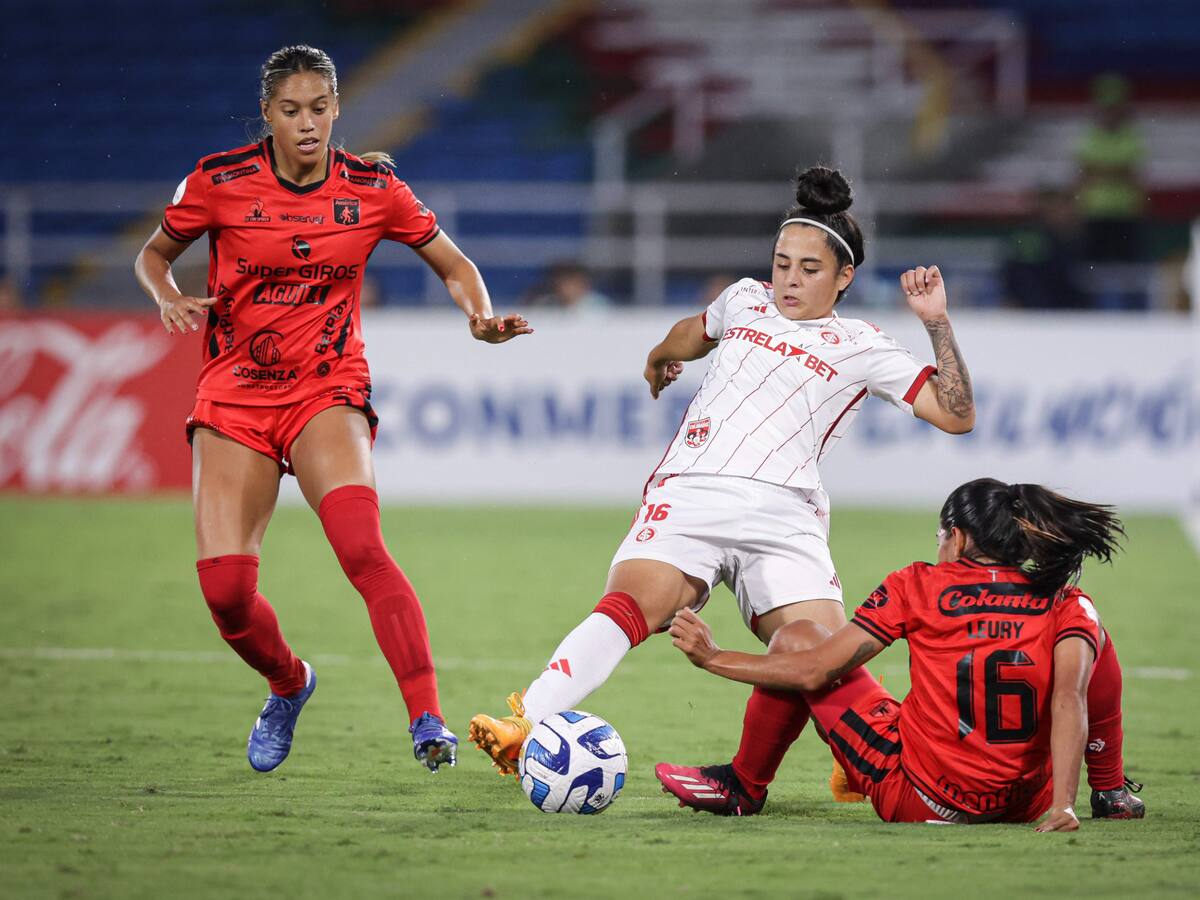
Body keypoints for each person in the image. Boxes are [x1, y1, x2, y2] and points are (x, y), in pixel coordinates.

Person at [468, 166, 975, 784]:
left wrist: (935, 323)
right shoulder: (745, 299)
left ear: (844, 277)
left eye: (809, 269)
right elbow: (693, 333)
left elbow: (957, 415)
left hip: (786, 513)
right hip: (693, 491)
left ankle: (856, 756)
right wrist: (658, 357)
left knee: (823, 649)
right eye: (782, 262)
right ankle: (528, 722)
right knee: (636, 603)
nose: (789, 279)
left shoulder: (863, 344)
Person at [133, 45, 531, 775]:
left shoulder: (373, 187)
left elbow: (456, 264)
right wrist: (166, 296)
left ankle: (427, 718)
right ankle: (289, 683)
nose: (307, 124)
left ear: (337, 108)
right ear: (267, 114)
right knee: (225, 592)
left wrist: (479, 316)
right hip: (234, 398)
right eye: (292, 111)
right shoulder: (219, 181)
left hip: (327, 391)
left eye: (319, 108)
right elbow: (153, 255)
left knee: (361, 548)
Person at [661, 478, 1146, 828]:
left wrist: (713, 656)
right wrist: (1063, 803)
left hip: (919, 797)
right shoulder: (1065, 600)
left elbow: (814, 670)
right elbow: (1068, 700)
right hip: (1028, 803)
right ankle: (1110, 791)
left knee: (799, 637)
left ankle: (743, 785)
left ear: (957, 537)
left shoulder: (920, 584)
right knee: (1091, 639)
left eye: (940, 536)